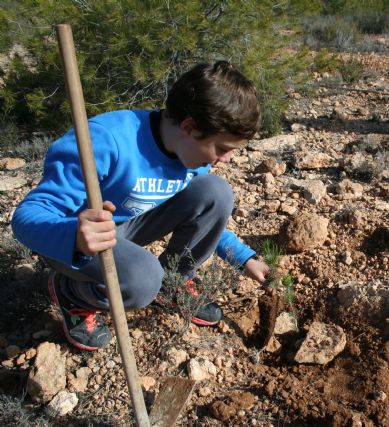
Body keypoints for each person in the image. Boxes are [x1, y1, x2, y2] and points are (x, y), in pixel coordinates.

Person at [11, 61, 270, 351]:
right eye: (222, 149)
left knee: (216, 192)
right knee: (144, 280)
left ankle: (174, 283)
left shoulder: (190, 154)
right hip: (77, 243)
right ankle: (72, 293)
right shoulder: (105, 142)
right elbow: (25, 218)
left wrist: (244, 258)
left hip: (128, 226)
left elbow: (206, 214)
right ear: (188, 127)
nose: (226, 160)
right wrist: (74, 237)